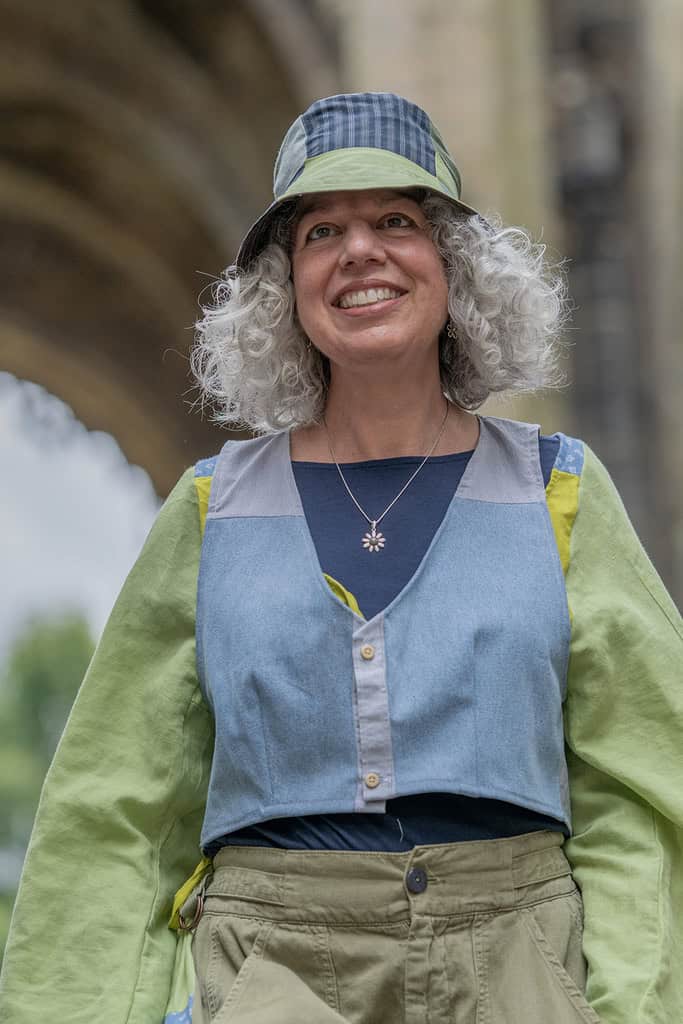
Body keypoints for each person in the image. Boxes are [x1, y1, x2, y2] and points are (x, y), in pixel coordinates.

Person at [0, 92, 681, 1024]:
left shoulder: (559, 491)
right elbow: (118, 808)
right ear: (286, 289)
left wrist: (628, 1001)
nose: (360, 250)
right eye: (322, 232)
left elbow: (638, 785)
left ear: (454, 267)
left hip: (522, 967)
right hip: (270, 971)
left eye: (396, 220)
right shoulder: (210, 509)